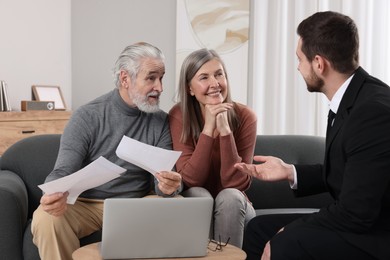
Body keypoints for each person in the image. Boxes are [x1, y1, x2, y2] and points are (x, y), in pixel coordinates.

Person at [234, 11, 390, 260]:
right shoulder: (354, 97)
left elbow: (356, 212)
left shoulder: (372, 111)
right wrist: (290, 172)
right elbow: (353, 171)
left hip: (377, 233)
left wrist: (293, 230)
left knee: (287, 242)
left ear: (319, 63)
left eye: (299, 59)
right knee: (258, 229)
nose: (297, 67)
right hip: (362, 221)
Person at [31, 42, 183, 260]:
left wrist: (168, 187)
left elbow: (161, 184)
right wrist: (52, 194)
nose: (160, 87)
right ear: (125, 78)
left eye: (161, 77)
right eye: (151, 78)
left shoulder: (160, 121)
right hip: (87, 206)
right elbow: (63, 169)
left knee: (178, 206)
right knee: (46, 218)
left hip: (137, 204)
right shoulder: (87, 116)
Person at [169, 48, 257, 248]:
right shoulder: (178, 115)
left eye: (219, 74)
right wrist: (208, 129)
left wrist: (225, 130)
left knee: (231, 197)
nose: (214, 83)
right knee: (199, 194)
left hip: (237, 207)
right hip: (196, 200)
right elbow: (191, 179)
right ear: (190, 88)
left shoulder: (245, 117)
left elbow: (236, 183)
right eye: (204, 77)